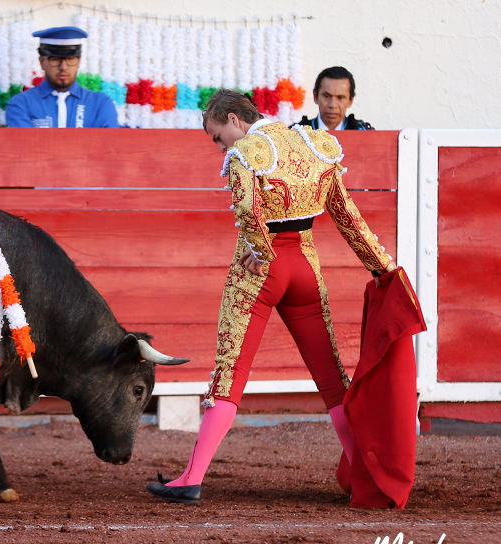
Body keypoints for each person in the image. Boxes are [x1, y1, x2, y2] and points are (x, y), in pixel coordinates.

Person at [146, 89, 396, 504]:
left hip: (261, 272)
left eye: (218, 136)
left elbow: (248, 211)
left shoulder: (246, 153)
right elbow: (348, 216)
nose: (220, 146)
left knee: (230, 372)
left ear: (234, 119)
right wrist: (383, 268)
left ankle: (191, 478)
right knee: (332, 378)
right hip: (306, 267)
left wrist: (260, 251)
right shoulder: (316, 144)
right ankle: (365, 476)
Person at [5, 26, 118, 128]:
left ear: (79, 60)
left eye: (70, 59)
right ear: (42, 61)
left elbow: (107, 143)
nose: (63, 67)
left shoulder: (100, 103)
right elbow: (26, 144)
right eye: (55, 60)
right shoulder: (20, 104)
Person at [294, 66, 373, 130]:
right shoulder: (295, 134)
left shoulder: (364, 133)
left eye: (340, 98)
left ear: (350, 100)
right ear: (316, 97)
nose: (332, 105)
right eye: (326, 96)